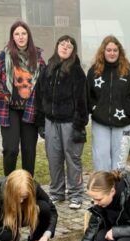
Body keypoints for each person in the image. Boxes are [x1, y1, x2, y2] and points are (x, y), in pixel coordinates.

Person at [35, 35, 88, 209]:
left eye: (69, 46)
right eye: (62, 44)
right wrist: (41, 122)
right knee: (54, 157)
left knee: (72, 158)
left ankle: (76, 194)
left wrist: (79, 125)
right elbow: (39, 96)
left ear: (73, 51)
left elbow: (82, 100)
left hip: (70, 122)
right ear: (57, 46)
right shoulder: (47, 68)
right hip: (51, 121)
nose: (65, 47)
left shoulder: (77, 72)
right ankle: (57, 192)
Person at [0, 21, 46, 177]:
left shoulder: (38, 57)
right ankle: (9, 184)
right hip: (9, 110)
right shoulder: (4, 55)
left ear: (29, 35)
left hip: (30, 110)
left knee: (29, 151)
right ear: (12, 37)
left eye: (24, 33)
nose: (21, 37)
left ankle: (27, 185)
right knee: (11, 149)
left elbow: (45, 83)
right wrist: (3, 94)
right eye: (17, 34)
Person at [87, 35, 130, 171]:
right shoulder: (94, 71)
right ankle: (103, 190)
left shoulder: (129, 71)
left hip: (124, 124)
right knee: (101, 161)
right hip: (100, 122)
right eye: (109, 50)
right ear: (103, 51)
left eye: (115, 50)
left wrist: (129, 111)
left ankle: (118, 191)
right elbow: (87, 94)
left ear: (119, 52)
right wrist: (94, 109)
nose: (112, 53)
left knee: (119, 165)